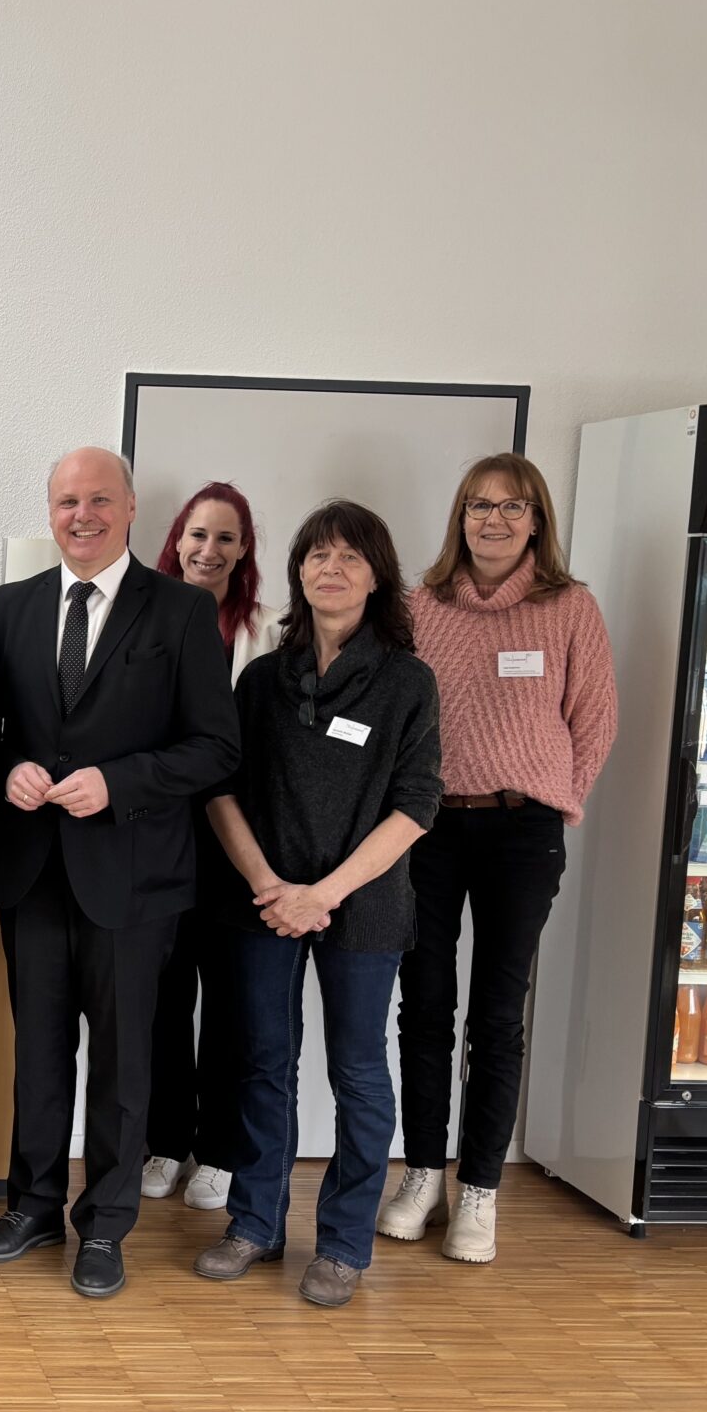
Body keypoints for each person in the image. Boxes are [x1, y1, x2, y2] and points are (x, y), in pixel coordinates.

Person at [0, 448, 240, 1299]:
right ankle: (32, 1208)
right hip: (31, 870)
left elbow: (215, 748)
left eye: (97, 500)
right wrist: (5, 770)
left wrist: (118, 783)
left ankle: (106, 1225)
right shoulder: (11, 606)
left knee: (124, 1063)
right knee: (40, 1053)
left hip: (132, 877)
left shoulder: (183, 611)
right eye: (65, 502)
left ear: (128, 509)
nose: (80, 516)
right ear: (49, 512)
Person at [192, 500, 441, 1308]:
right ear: (298, 571)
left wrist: (322, 895)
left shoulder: (407, 682)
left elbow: (416, 805)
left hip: (361, 906)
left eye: (349, 557)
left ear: (377, 576)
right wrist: (272, 888)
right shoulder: (263, 679)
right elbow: (221, 790)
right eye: (316, 555)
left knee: (358, 1071)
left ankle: (342, 1245)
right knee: (262, 1062)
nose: (330, 569)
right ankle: (255, 1224)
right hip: (262, 901)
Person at [381, 453, 617, 1264]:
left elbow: (595, 718)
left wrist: (560, 798)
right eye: (479, 506)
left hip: (523, 833)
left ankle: (479, 1189)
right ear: (460, 517)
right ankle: (422, 1175)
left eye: (512, 507)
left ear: (537, 520)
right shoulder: (420, 607)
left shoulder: (569, 607)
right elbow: (396, 715)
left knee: (496, 1015)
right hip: (428, 830)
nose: (493, 520)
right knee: (424, 1007)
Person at [144, 482, 280, 1212]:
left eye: (226, 537)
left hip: (239, 847)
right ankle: (166, 1142)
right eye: (198, 534)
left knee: (232, 1008)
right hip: (163, 841)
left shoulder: (269, 631)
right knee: (164, 1003)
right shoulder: (146, 620)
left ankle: (222, 1153)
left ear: (244, 549)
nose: (209, 549)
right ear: (177, 540)